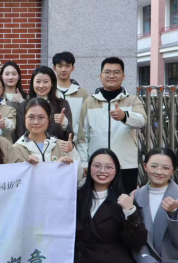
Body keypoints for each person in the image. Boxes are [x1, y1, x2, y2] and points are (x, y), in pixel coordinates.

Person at [63, 148, 147, 263]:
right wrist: (61, 167)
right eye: (97, 166)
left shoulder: (124, 200)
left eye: (109, 167)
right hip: (82, 261)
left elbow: (137, 241)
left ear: (116, 170)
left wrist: (130, 212)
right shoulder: (77, 196)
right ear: (89, 168)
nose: (102, 171)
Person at [77, 57, 147, 192]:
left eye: (116, 72)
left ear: (123, 76)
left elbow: (142, 121)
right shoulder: (89, 102)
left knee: (124, 201)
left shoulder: (133, 100)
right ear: (101, 76)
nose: (111, 76)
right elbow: (82, 136)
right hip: (98, 165)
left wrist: (124, 116)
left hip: (126, 165)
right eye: (107, 72)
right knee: (98, 200)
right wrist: (85, 162)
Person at [13, 98, 79, 166]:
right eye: (31, 117)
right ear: (24, 118)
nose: (36, 122)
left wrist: (71, 152)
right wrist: (26, 165)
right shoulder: (16, 149)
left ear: (49, 118)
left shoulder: (59, 145)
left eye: (41, 117)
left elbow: (78, 171)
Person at [15, 66, 72, 142]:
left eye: (45, 82)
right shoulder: (24, 106)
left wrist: (65, 124)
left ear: (52, 83)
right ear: (32, 83)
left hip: (55, 148)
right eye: (38, 82)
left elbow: (70, 137)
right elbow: (19, 135)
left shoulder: (62, 104)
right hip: (29, 147)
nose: (41, 86)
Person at [52, 52, 89, 135]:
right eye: (60, 66)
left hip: (75, 138)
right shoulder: (50, 91)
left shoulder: (82, 93)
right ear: (54, 68)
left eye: (67, 66)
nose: (63, 69)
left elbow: (85, 118)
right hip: (51, 139)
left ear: (73, 68)